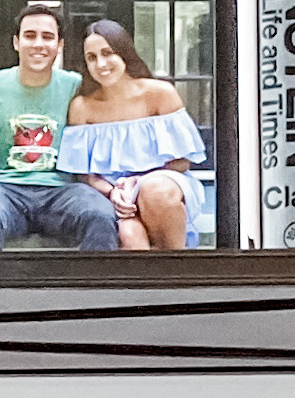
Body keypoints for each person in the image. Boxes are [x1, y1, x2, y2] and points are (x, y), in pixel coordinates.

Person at [0, 1, 120, 253]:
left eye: (47, 37)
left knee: (99, 214)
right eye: (29, 36)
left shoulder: (76, 86)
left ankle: (92, 291)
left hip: (63, 190)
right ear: (16, 42)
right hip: (3, 188)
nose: (38, 44)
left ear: (60, 45)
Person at [60, 19, 202, 251]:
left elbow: (182, 161)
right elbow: (85, 175)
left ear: (124, 52)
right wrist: (113, 191)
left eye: (108, 53)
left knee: (155, 191)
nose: (101, 64)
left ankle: (178, 270)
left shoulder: (160, 93)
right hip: (115, 196)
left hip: (163, 182)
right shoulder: (82, 107)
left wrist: (138, 182)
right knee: (130, 236)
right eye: (92, 57)